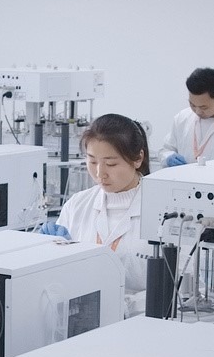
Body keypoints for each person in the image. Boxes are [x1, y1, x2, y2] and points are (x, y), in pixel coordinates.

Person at [42, 113, 150, 293]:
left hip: (142, 310)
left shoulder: (163, 210)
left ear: (138, 158)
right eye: (92, 161)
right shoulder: (77, 205)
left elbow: (179, 283)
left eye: (111, 164)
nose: (100, 173)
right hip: (83, 305)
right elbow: (58, 277)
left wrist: (128, 305)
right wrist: (53, 251)